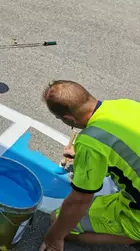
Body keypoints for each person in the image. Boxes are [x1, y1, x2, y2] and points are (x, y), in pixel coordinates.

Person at [39, 80, 140, 251]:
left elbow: (78, 201)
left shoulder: (90, 142)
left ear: (68, 119)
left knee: (58, 221)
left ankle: (134, 235)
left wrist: (53, 239)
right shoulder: (124, 104)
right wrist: (82, 155)